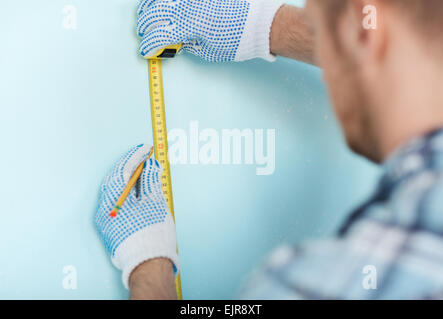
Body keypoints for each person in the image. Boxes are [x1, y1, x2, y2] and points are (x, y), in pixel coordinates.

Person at [95, 0, 443, 299]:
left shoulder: (314, 285)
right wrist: (266, 26)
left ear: (365, 31)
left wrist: (149, 266)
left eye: (319, 26)